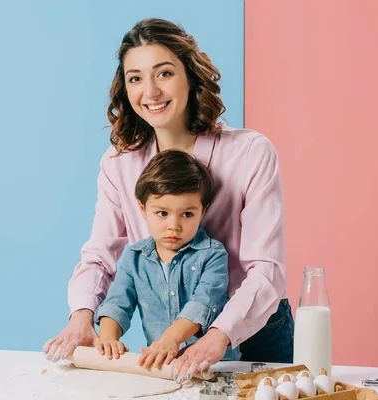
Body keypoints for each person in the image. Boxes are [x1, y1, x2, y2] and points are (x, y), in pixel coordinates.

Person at [43, 18, 293, 381]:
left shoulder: (251, 153)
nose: (150, 91)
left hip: (254, 333)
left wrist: (219, 335)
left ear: (190, 76)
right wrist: (82, 316)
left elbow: (266, 270)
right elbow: (101, 254)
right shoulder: (118, 164)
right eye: (135, 78)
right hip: (167, 341)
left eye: (163, 74)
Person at [95, 150, 238, 383]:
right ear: (143, 209)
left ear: (203, 211)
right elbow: (117, 302)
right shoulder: (134, 257)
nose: (174, 226)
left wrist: (172, 338)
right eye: (162, 213)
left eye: (187, 214)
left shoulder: (212, 254)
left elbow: (203, 302)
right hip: (164, 370)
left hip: (217, 368)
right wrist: (108, 338)